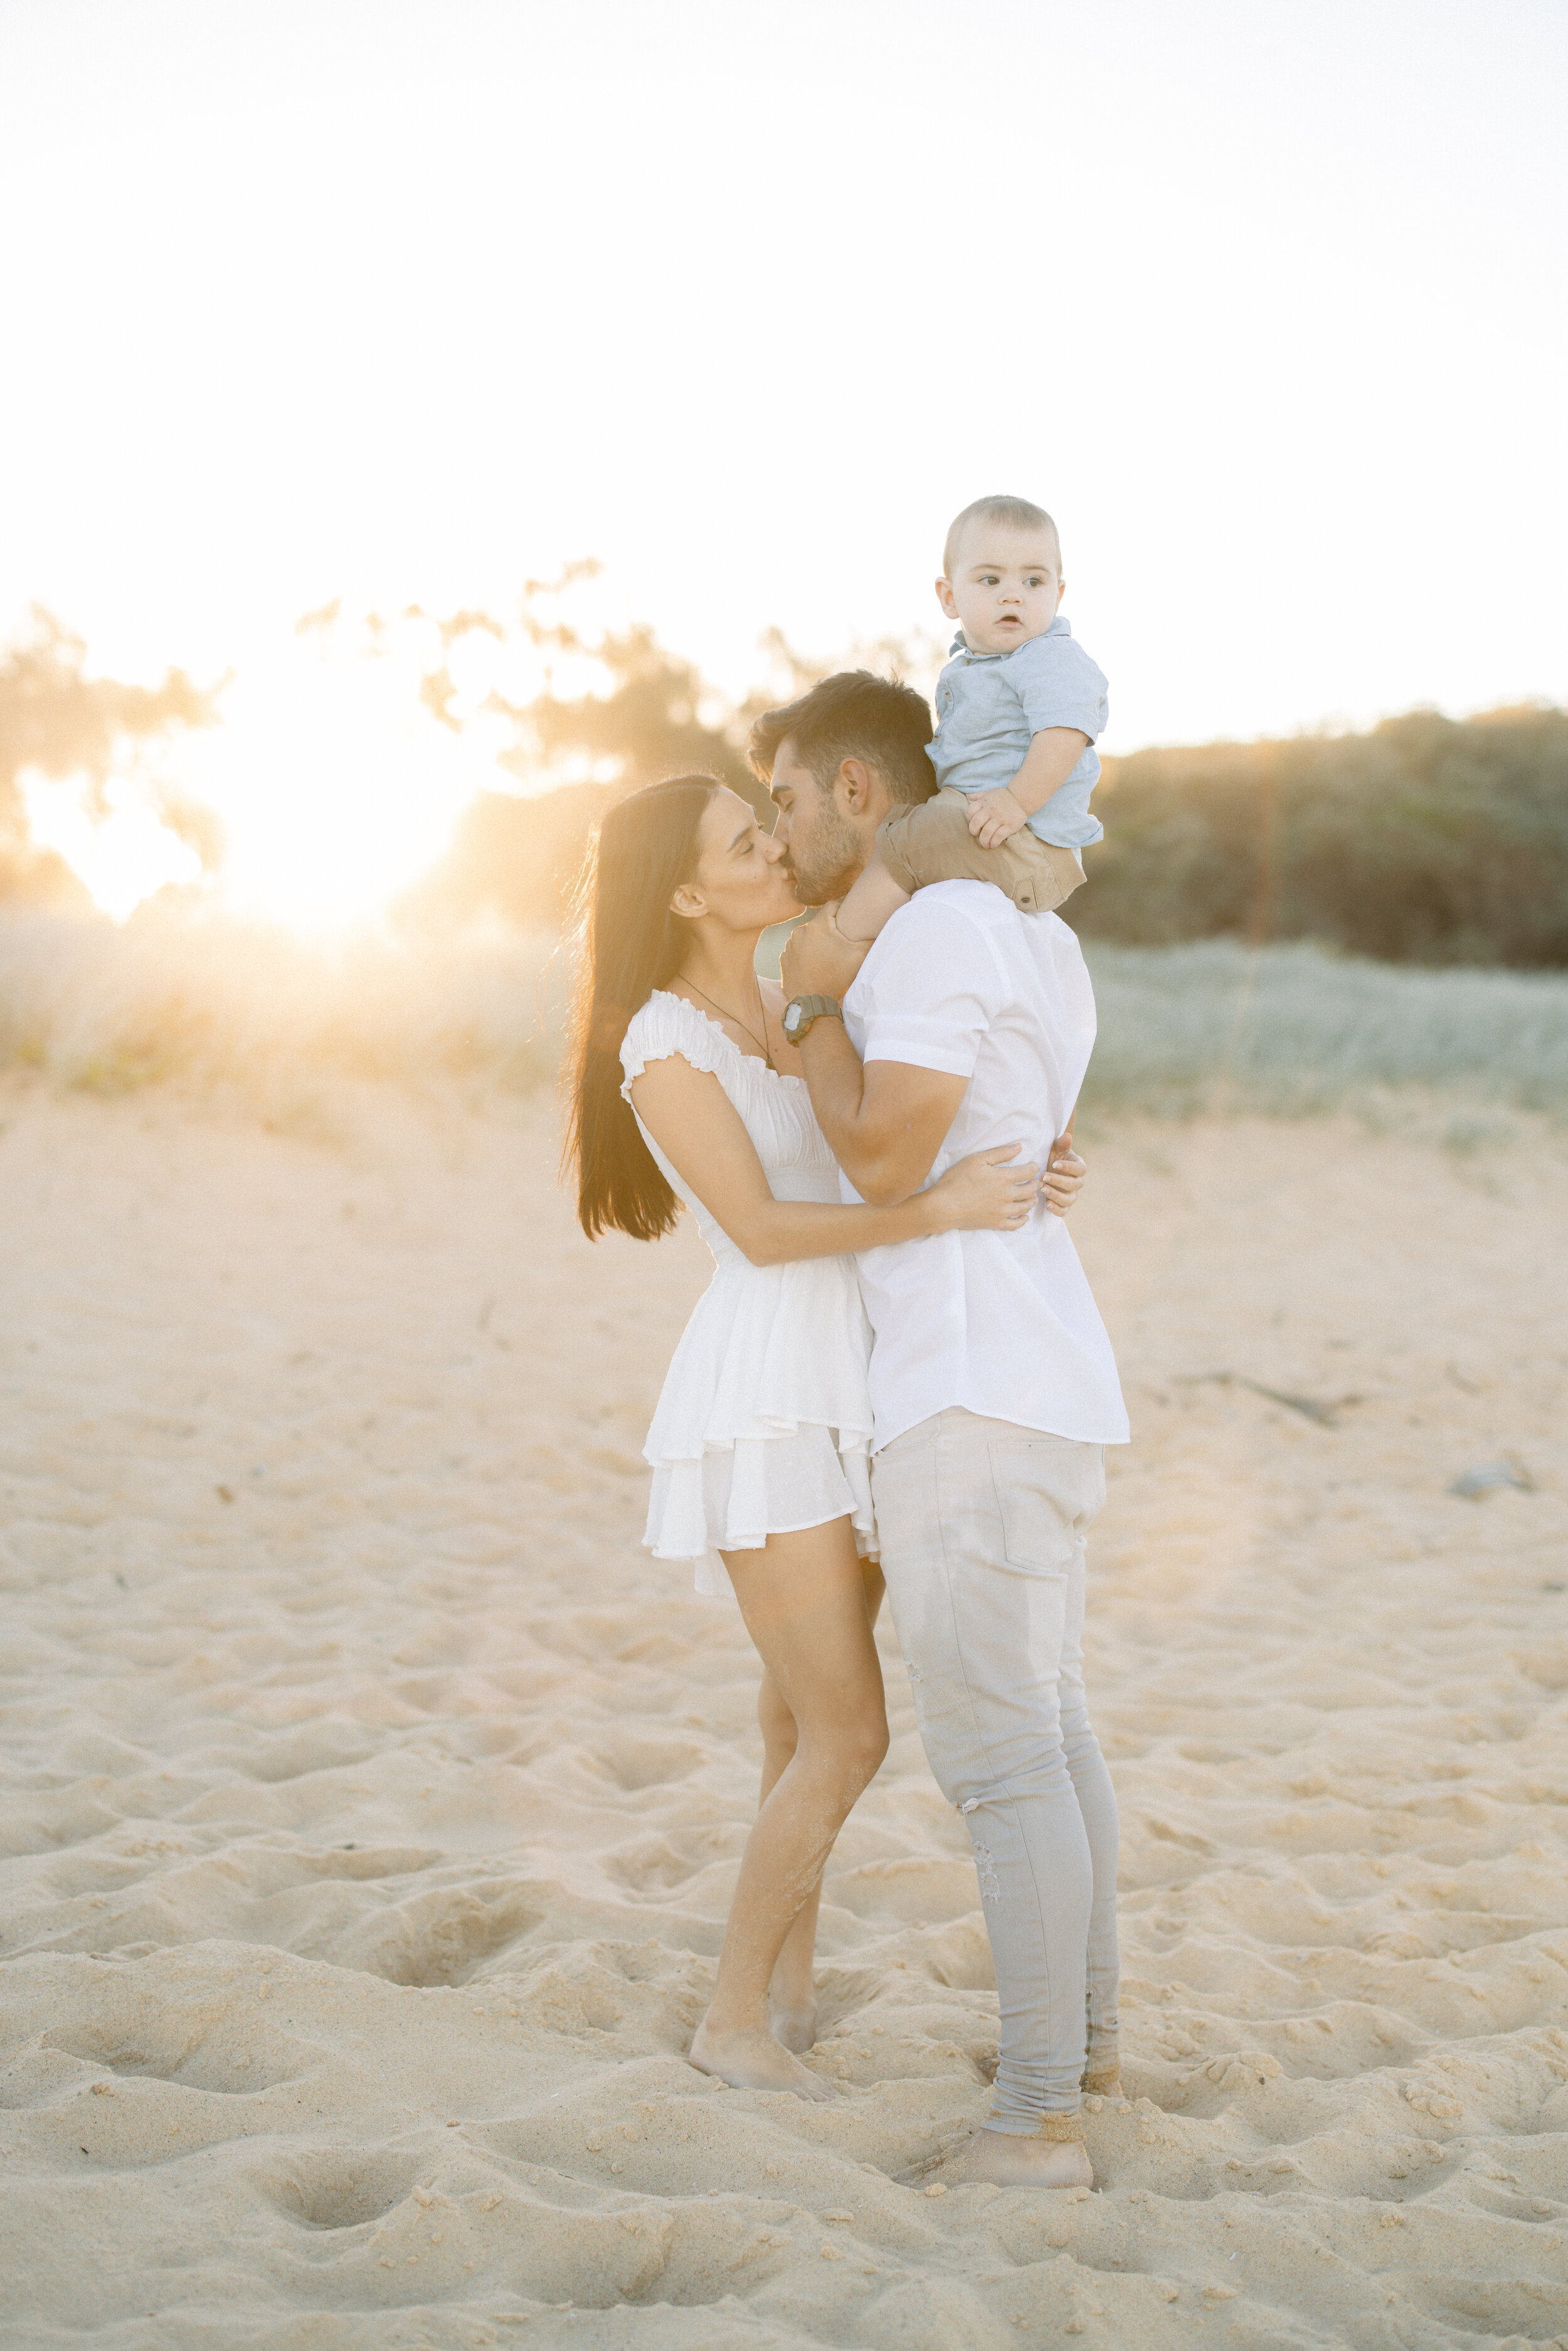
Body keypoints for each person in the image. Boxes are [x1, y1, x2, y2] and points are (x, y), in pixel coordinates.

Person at [563, 772, 1087, 2103]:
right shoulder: (662, 1040)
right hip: (772, 1386)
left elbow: (887, 1127)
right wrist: (948, 1210)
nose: (775, 847)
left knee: (791, 1716)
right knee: (847, 1733)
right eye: (745, 842)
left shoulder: (801, 988)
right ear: (685, 892)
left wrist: (1025, 1159)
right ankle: (729, 2017)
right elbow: (760, 1230)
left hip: (863, 1370)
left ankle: (784, 1995)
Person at [757, 671, 1130, 2190]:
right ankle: (1085, 2044)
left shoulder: (929, 931)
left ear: (860, 794)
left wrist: (806, 1019)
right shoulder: (1034, 930)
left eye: (784, 796)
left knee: (1001, 1763)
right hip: (1042, 1366)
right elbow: (1014, 1136)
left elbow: (883, 1150)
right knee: (1048, 1729)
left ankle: (1038, 2119)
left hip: (970, 1385)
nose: (776, 831)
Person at [835, 494, 1110, 943]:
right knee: (896, 827)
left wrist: (1016, 801)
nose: (1013, 593)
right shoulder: (973, 667)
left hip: (1029, 843)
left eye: (1034, 581)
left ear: (1058, 595)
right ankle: (876, 938)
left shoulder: (1050, 657)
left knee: (901, 847)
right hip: (994, 829)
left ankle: (840, 946)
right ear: (949, 597)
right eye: (989, 578)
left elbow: (1065, 733)